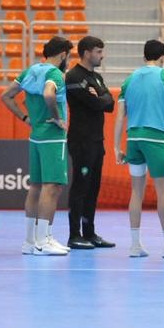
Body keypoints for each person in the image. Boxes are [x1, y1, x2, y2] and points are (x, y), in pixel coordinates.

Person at [0, 36, 72, 257]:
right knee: (52, 188)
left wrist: (24, 118)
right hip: (52, 136)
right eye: (68, 56)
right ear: (62, 55)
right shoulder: (55, 74)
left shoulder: (30, 71)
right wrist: (58, 118)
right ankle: (43, 241)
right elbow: (49, 94)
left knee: (36, 187)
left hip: (36, 135)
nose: (68, 60)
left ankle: (32, 240)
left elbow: (6, 96)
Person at [113, 39, 164, 258]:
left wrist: (116, 146)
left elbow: (120, 117)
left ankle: (135, 246)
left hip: (133, 139)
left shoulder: (129, 79)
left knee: (136, 192)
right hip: (157, 139)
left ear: (144, 57)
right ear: (163, 57)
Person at [64, 36, 116, 249]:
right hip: (81, 140)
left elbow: (109, 103)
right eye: (98, 52)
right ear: (86, 53)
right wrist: (100, 98)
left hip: (96, 140)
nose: (101, 56)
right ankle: (74, 234)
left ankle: (90, 232)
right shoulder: (74, 76)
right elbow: (95, 103)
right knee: (80, 187)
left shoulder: (96, 77)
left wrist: (100, 97)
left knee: (93, 187)